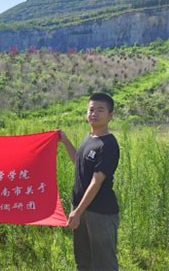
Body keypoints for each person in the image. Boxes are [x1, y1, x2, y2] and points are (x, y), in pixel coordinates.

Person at [58, 93, 120, 270]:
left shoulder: (108, 145)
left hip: (100, 213)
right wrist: (64, 140)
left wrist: (76, 212)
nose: (94, 113)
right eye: (91, 109)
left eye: (100, 110)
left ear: (110, 115)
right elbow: (79, 161)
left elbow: (96, 181)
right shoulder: (89, 138)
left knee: (104, 264)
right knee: (83, 261)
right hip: (82, 209)